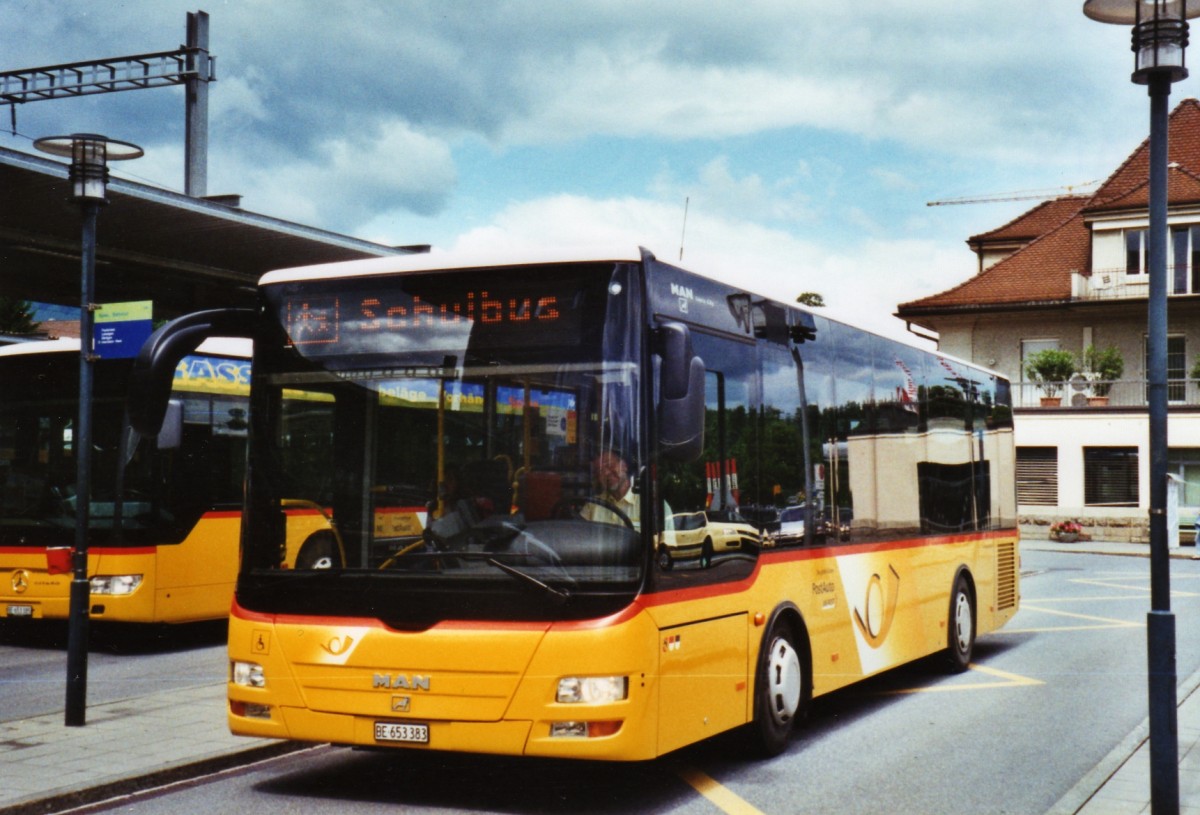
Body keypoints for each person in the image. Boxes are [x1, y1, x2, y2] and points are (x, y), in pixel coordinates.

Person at [582, 449, 641, 529]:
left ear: (624, 466)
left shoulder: (646, 502)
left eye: (610, 465)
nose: (606, 473)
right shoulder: (593, 504)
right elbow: (580, 533)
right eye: (600, 471)